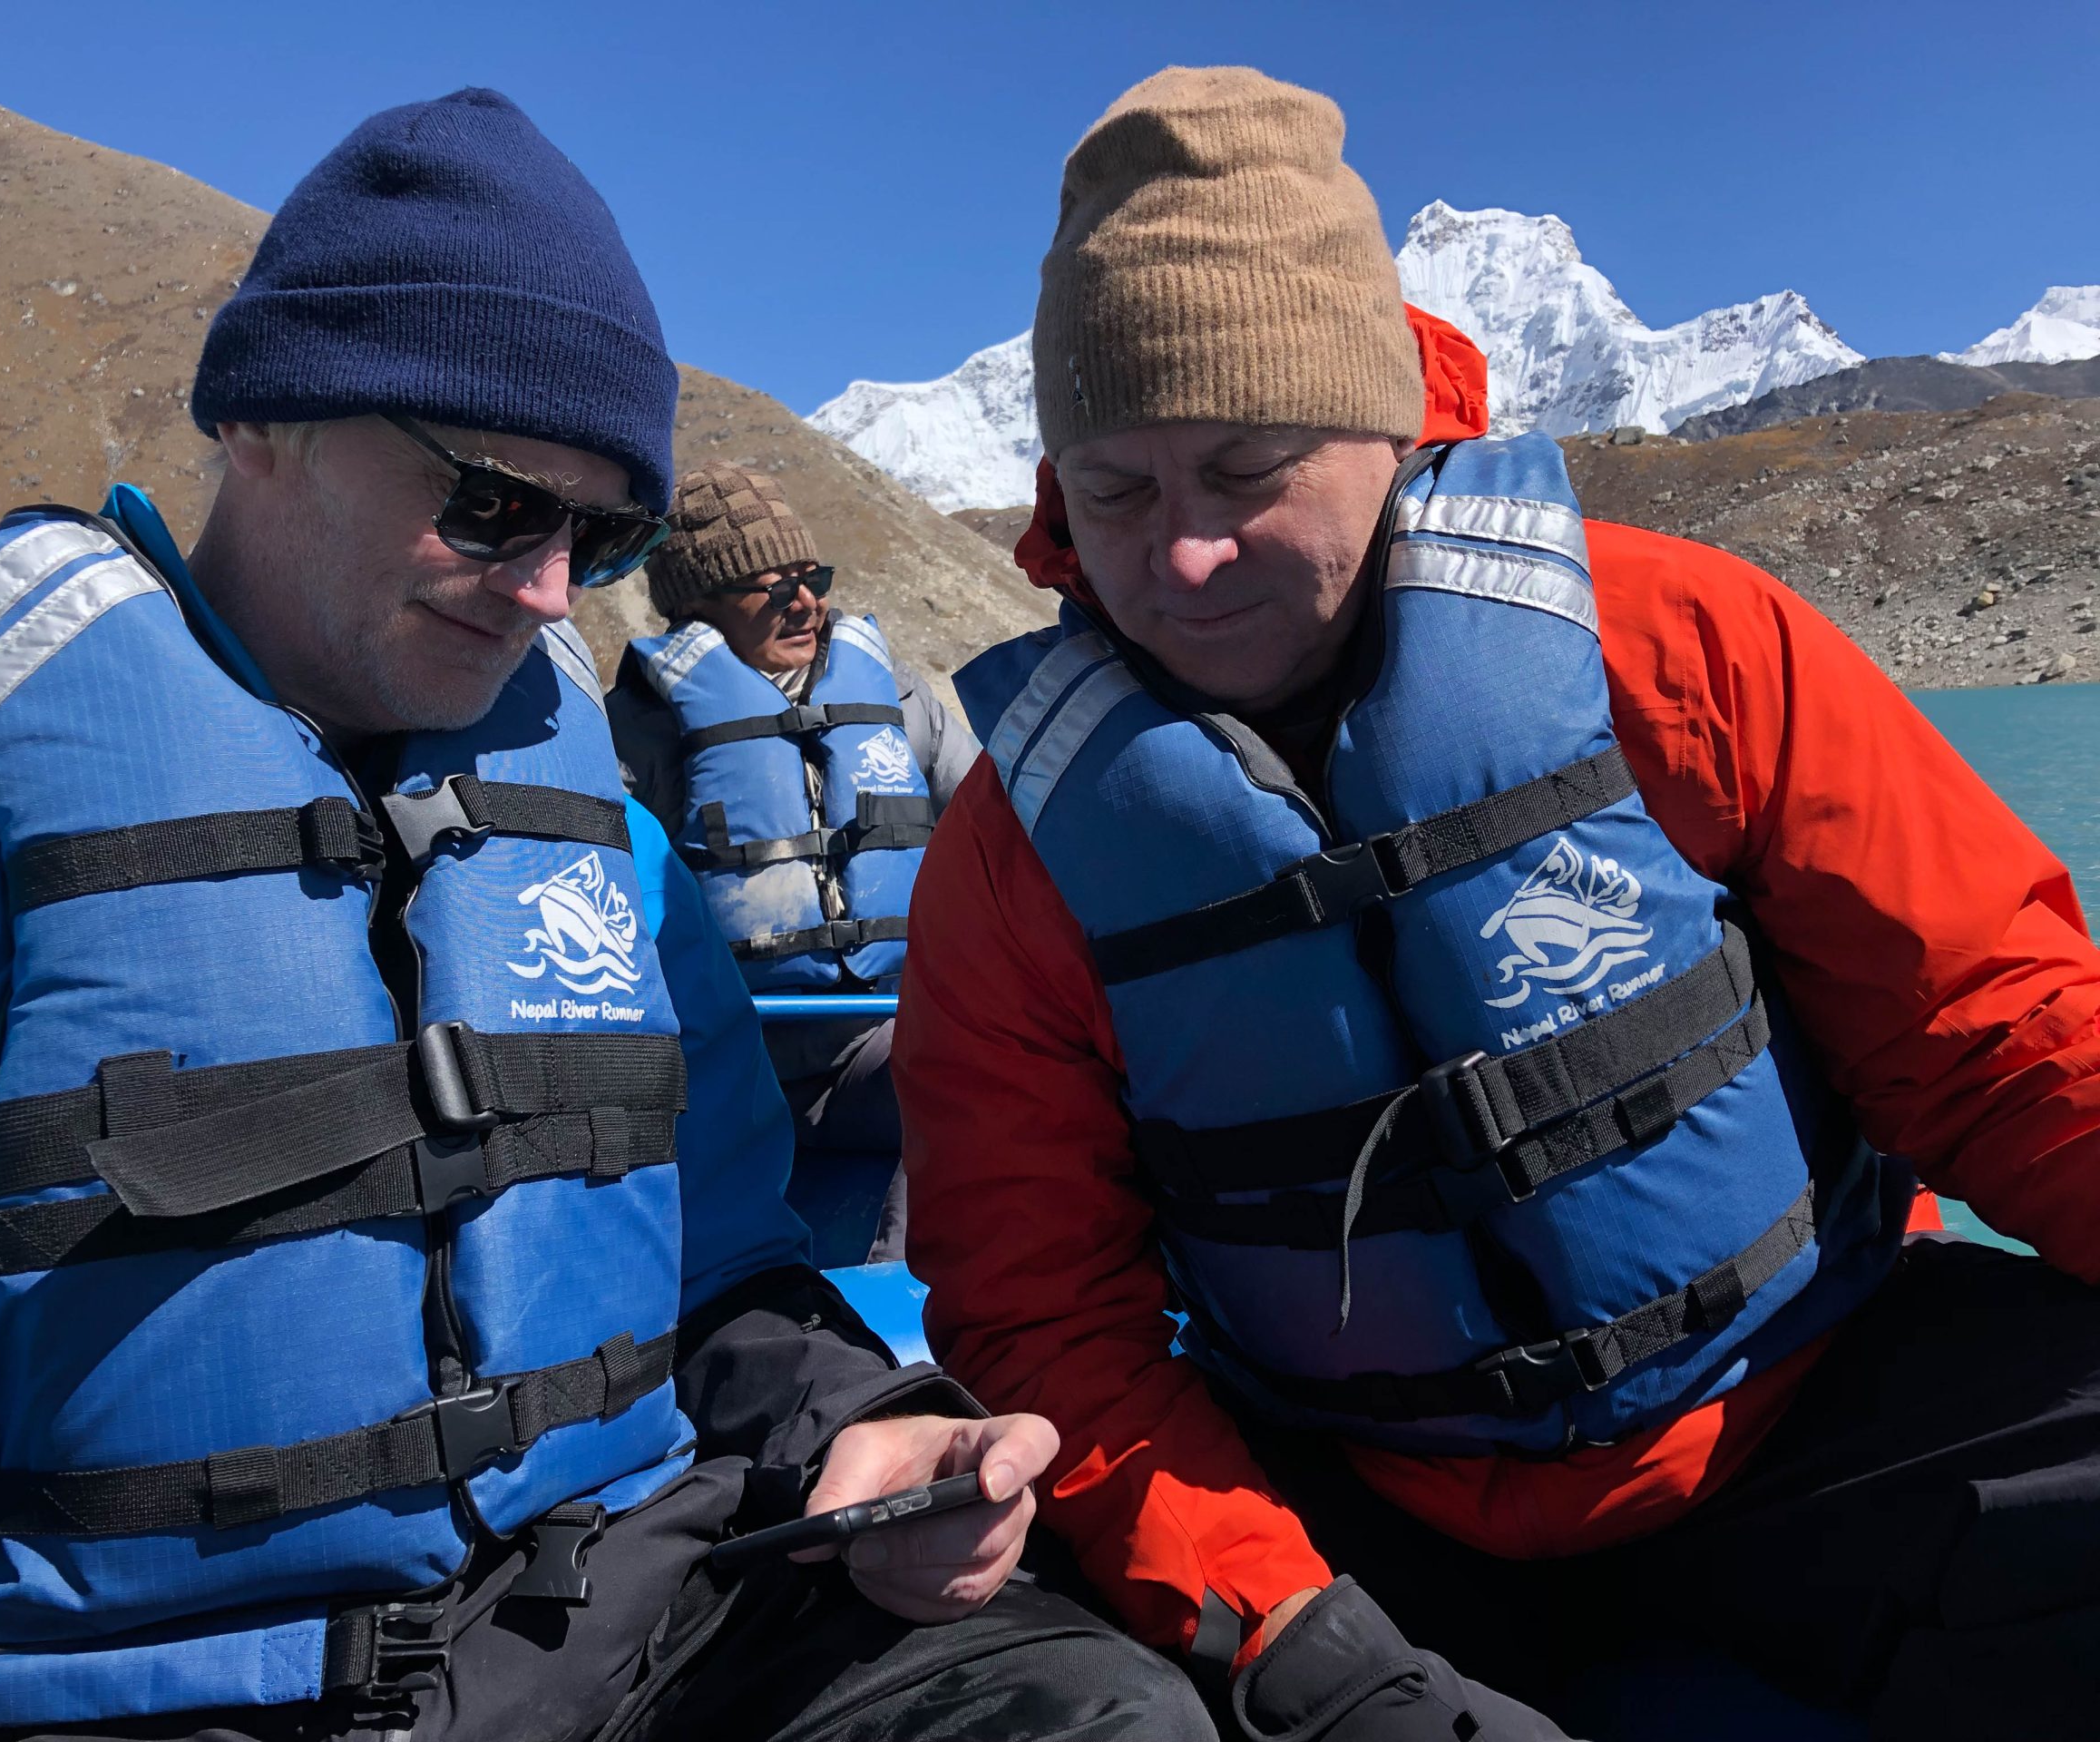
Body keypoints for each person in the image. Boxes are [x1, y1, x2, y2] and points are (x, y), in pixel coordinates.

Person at [0, 89, 1208, 1742]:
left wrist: (855, 1426)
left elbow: (725, 1267)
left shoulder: (594, 829)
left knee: (1094, 1714)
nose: (545, 592)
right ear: (263, 418)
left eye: (598, 538)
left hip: (635, 1633)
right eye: (492, 505)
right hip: (135, 1688)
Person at [894, 64, 2100, 1742]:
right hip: (1359, 1514)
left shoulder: (1684, 646)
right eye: (1115, 493)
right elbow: (1041, 1310)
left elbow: (1996, 1032)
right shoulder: (1013, 856)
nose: (1180, 557)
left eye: (1245, 469)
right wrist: (1287, 1630)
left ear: (1386, 429)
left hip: (1808, 1409)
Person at [607, 467, 973, 1260]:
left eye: (813, 580)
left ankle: (908, 1328)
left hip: (877, 1045)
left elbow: (1002, 827)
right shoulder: (640, 732)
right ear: (698, 609)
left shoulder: (895, 701)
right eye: (771, 588)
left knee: (968, 1079)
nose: (805, 603)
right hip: (726, 1067)